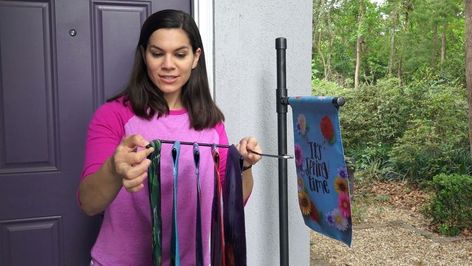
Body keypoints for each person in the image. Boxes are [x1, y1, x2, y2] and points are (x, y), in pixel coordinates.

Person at [78, 9, 262, 266]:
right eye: (157, 53)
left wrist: (242, 166)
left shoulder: (211, 123)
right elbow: (89, 203)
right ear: (144, 55)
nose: (168, 65)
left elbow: (230, 203)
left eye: (180, 54)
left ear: (195, 57)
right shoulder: (113, 116)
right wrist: (113, 168)